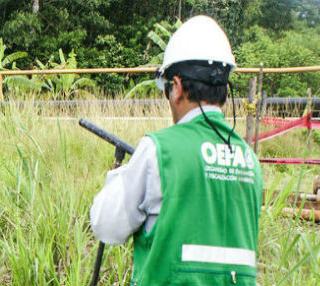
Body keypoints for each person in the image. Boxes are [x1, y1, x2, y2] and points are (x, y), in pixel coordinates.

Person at [90, 15, 263, 286]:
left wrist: (121, 175)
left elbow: (106, 226)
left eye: (167, 89)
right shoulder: (250, 161)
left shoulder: (159, 152)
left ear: (178, 87)